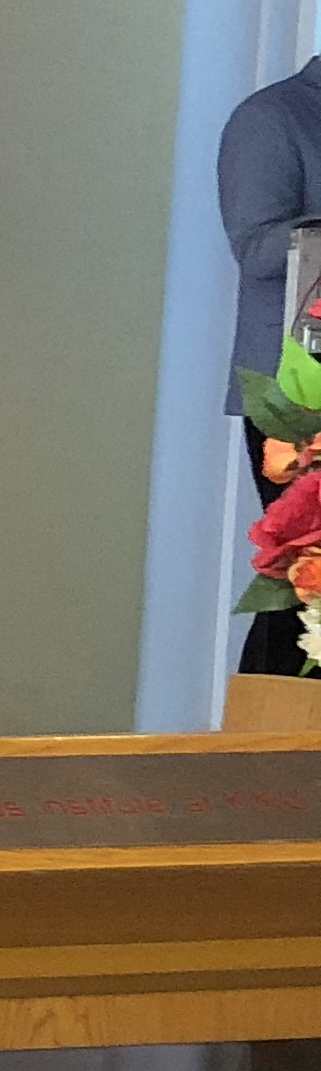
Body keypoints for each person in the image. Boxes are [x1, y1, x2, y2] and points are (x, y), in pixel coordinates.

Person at [218, 51, 321, 674]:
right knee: (304, 585)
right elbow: (256, 248)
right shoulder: (273, 117)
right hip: (298, 399)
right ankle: (266, 732)